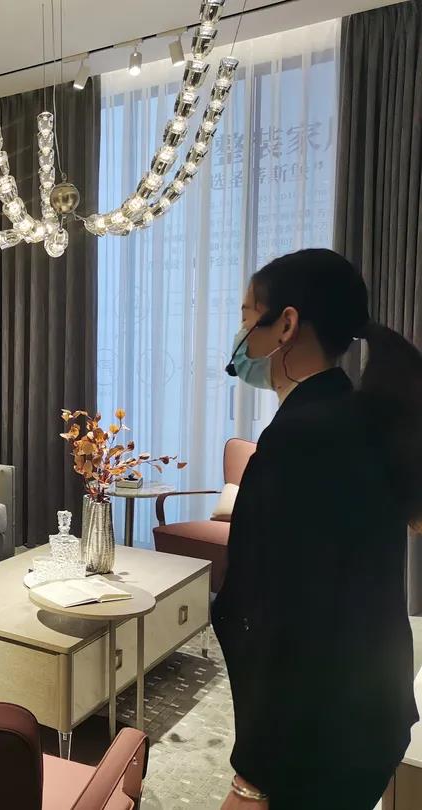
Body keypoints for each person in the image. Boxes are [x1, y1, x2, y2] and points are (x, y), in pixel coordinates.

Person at [213, 249, 421, 810]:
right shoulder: (354, 419)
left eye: (247, 316)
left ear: (285, 324)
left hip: (317, 742)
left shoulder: (301, 440)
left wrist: (253, 778)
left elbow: (291, 617)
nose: (241, 335)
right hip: (364, 716)